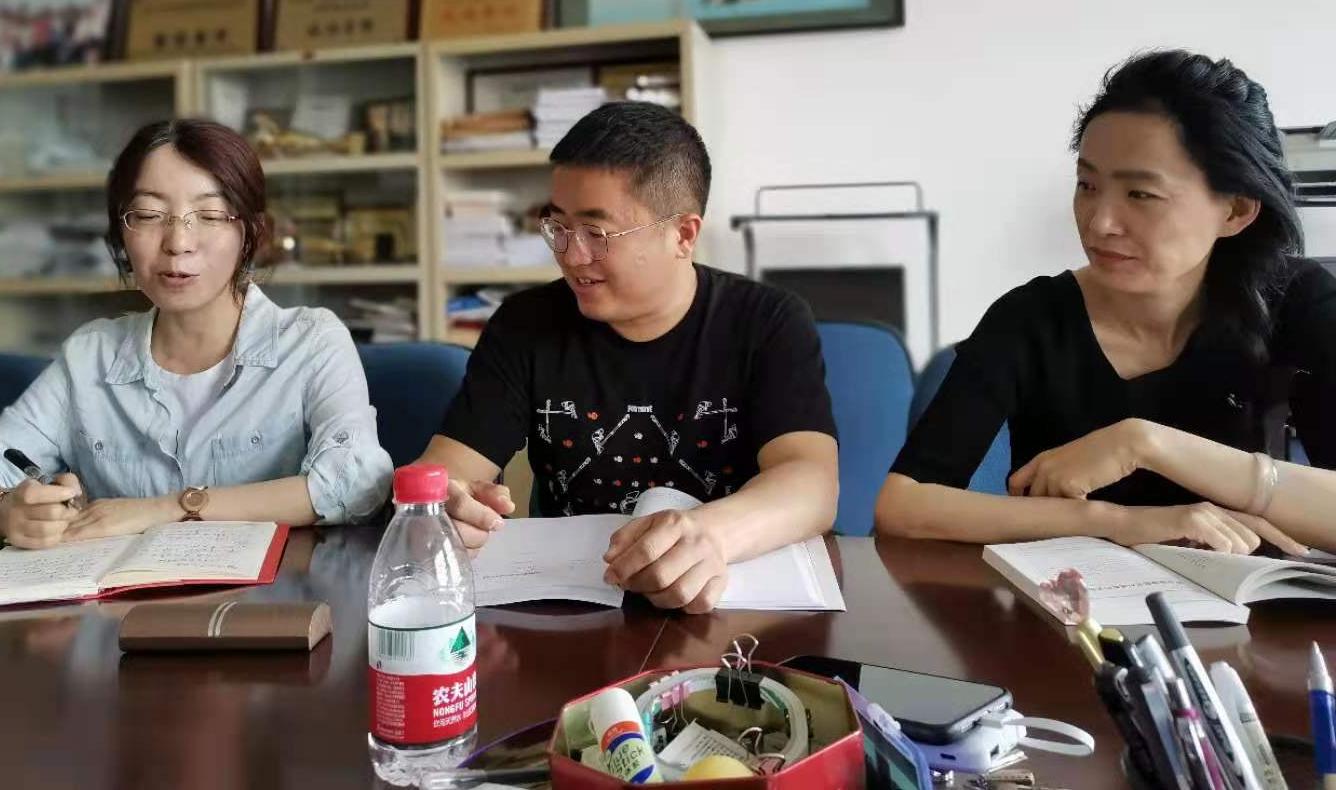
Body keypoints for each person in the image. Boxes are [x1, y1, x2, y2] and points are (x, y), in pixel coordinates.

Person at [876, 50, 1336, 554]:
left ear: (1236, 211)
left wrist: (1147, 444)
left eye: (1140, 194)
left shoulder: (1297, 302)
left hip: (1249, 599)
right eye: (1087, 185)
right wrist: (1111, 520)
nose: (1099, 223)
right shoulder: (1033, 318)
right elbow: (904, 504)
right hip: (1073, 598)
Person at [416, 102, 839, 614]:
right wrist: (444, 504)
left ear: (683, 234)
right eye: (558, 226)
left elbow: (811, 482)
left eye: (597, 234)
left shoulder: (766, 322)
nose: (572, 255)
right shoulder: (525, 325)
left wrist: (710, 534)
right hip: (572, 610)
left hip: (726, 607)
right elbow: (446, 468)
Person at [0, 118, 392, 547]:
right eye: (147, 215)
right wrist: (8, 513)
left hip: (270, 605)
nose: (178, 243)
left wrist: (169, 508)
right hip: (118, 614)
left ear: (249, 232)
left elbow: (356, 482)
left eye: (209, 215)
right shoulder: (90, 358)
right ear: (121, 233)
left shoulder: (311, 342)